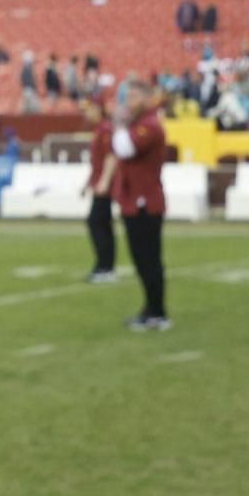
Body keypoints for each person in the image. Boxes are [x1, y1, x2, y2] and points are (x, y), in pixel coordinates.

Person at [110, 78, 170, 331]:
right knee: (141, 259)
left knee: (148, 260)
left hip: (145, 202)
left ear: (146, 98)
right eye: (127, 97)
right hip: (134, 201)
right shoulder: (140, 125)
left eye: (134, 97)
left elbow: (124, 148)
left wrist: (119, 124)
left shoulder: (150, 126)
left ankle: (157, 312)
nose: (128, 103)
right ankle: (151, 309)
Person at [82, 99, 119, 284]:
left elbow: (111, 157)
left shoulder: (105, 130)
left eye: (90, 110)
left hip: (104, 187)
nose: (86, 114)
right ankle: (105, 266)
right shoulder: (99, 130)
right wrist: (89, 182)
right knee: (102, 224)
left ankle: (104, 266)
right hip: (99, 183)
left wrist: (104, 181)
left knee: (96, 222)